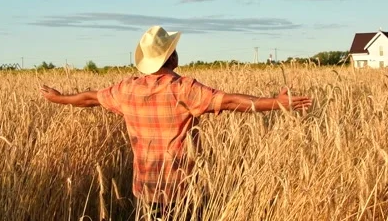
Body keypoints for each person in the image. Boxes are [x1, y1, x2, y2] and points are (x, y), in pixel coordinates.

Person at [40, 26, 312, 219]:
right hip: (180, 190)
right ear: (172, 57)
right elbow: (228, 101)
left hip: (144, 187)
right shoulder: (184, 89)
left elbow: (90, 98)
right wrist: (277, 103)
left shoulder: (127, 89)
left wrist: (59, 98)